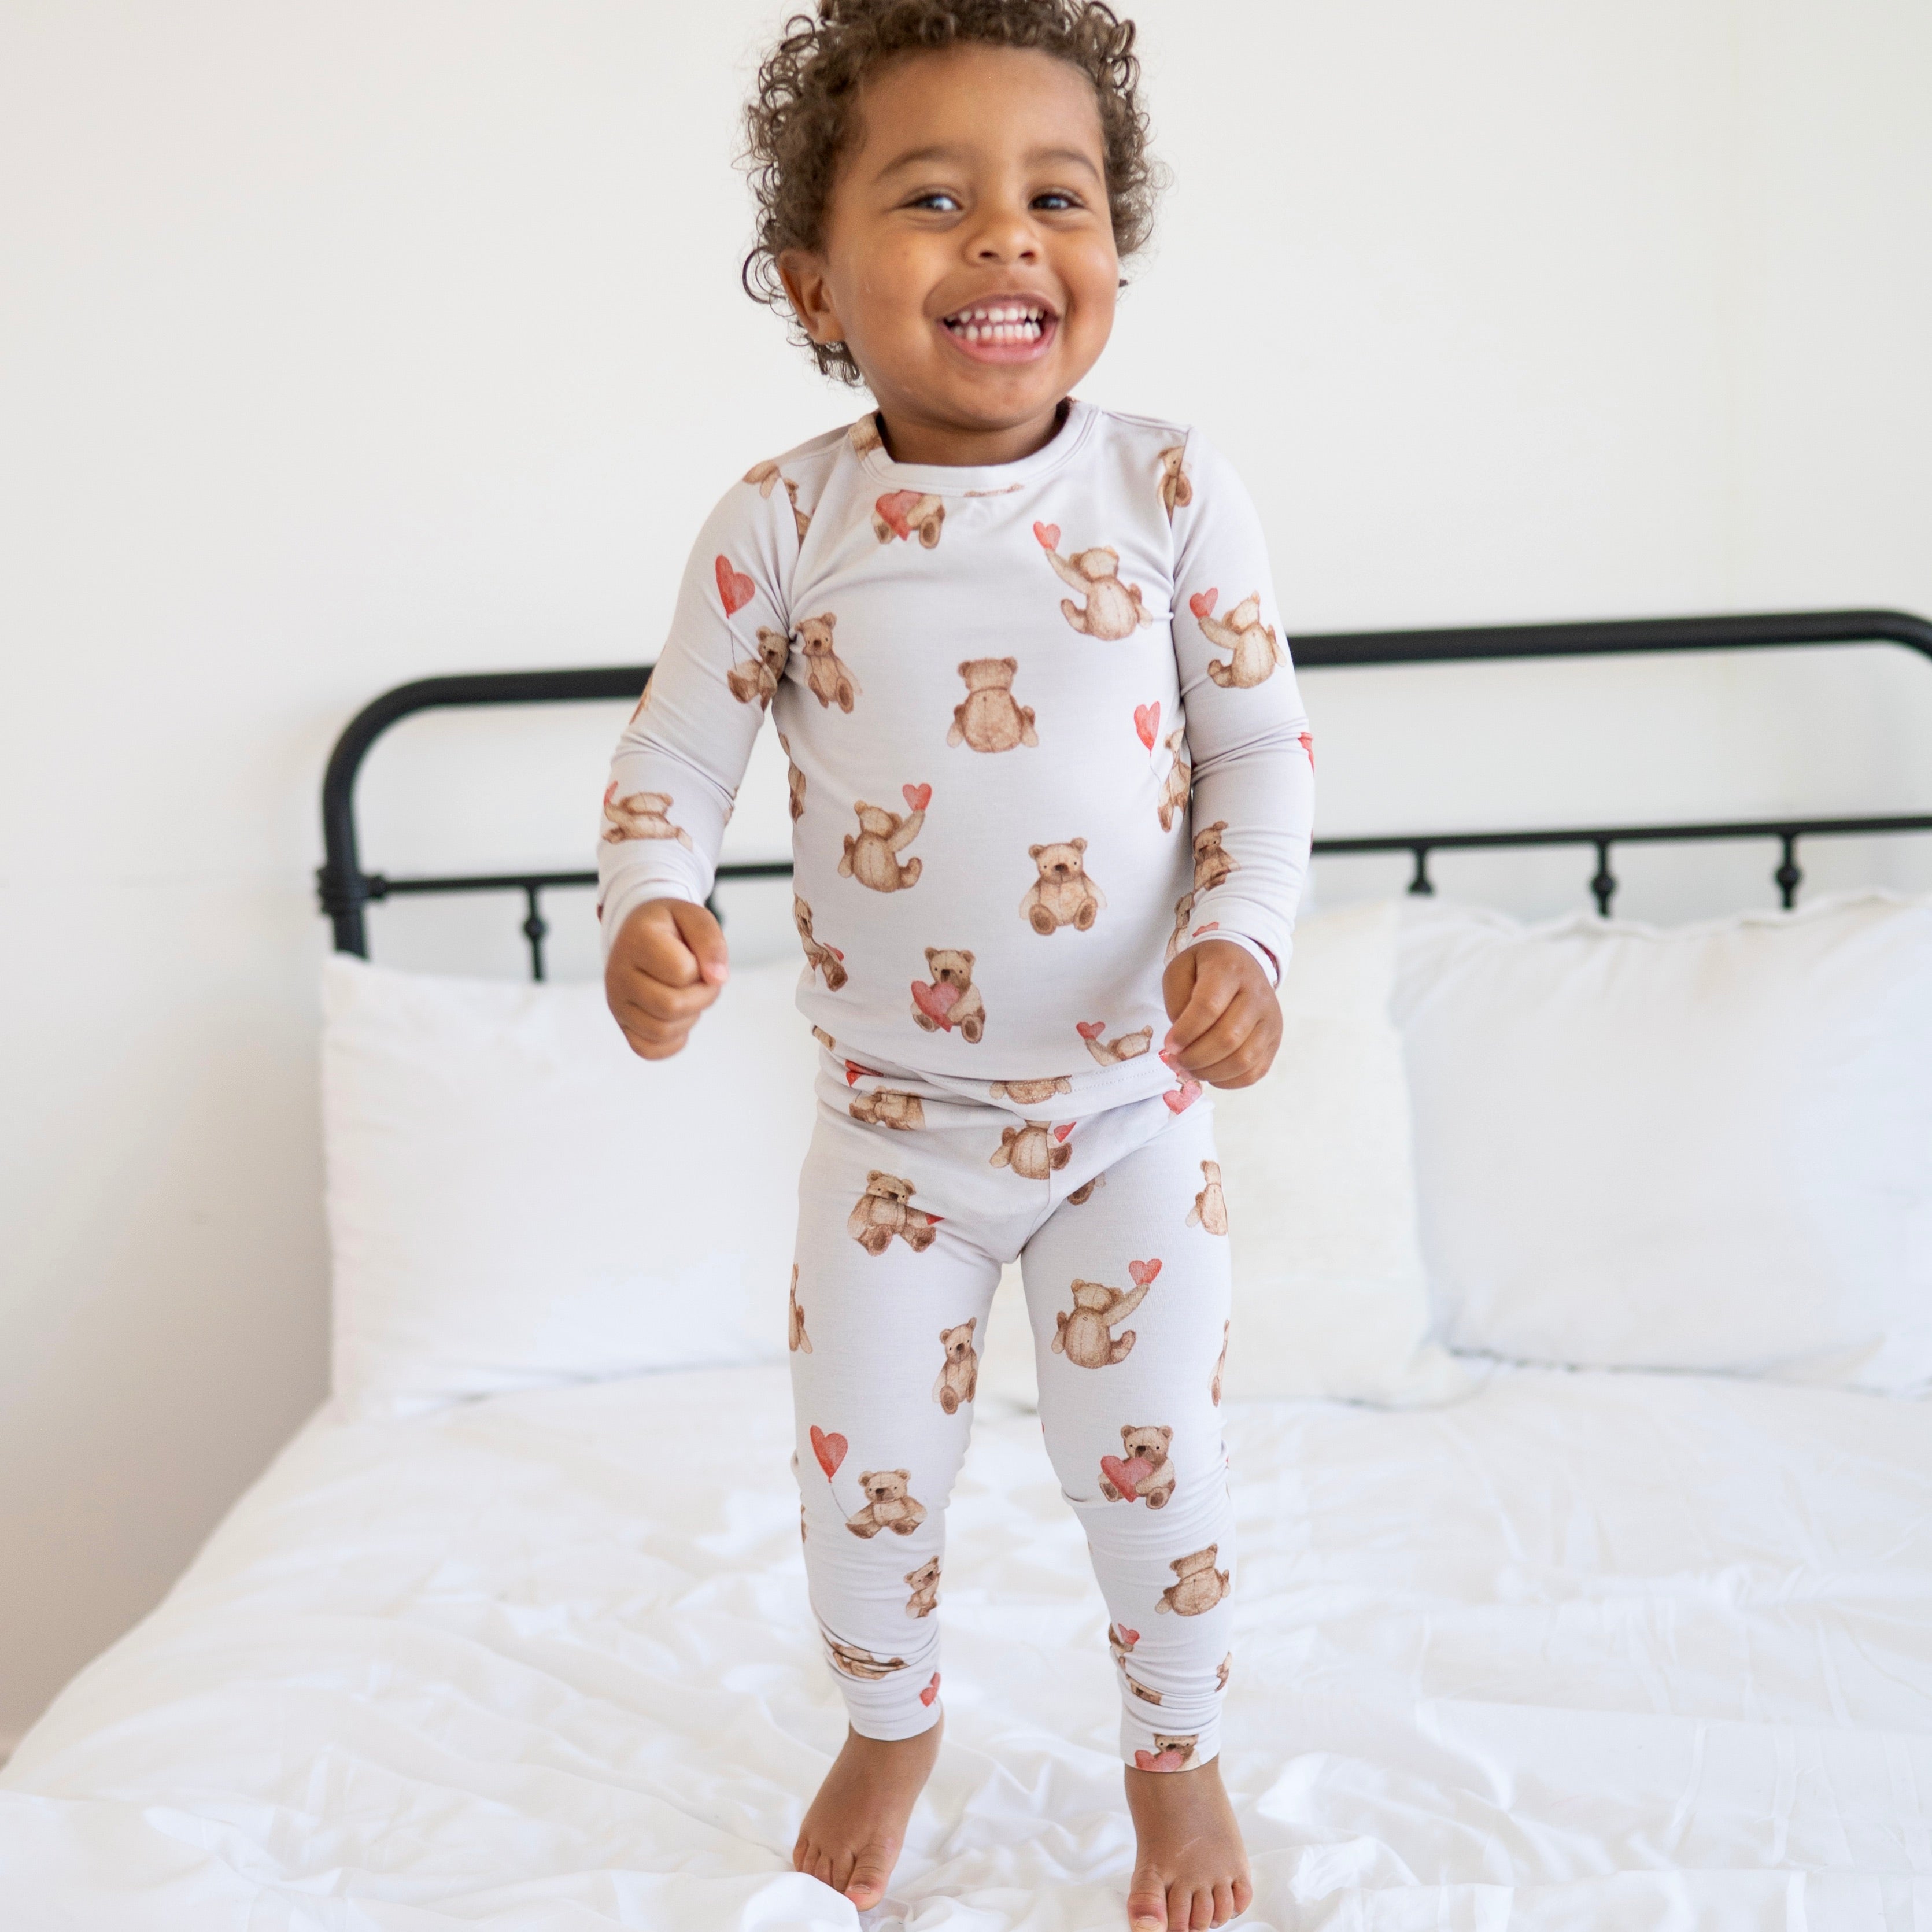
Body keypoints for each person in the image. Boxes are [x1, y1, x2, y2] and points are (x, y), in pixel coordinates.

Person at [597, 5, 1312, 1925]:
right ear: (816, 282)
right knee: (865, 1484)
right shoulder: (784, 522)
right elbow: (676, 756)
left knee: (1155, 1481)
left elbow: (1254, 749)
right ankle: (892, 1722)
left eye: (1054, 199)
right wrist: (650, 904)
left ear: (1109, 252)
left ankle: (1178, 1763)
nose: (1006, 240)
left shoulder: (1172, 497)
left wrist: (1239, 934)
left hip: (1125, 1126)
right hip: (895, 1142)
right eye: (937, 199)